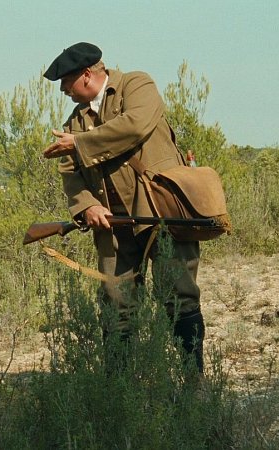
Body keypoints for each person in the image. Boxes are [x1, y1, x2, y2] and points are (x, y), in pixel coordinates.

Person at [41, 42, 206, 375]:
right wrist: (87, 205)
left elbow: (134, 125)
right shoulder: (75, 122)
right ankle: (118, 388)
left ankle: (193, 382)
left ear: (86, 75)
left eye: (66, 82)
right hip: (113, 226)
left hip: (161, 212)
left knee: (179, 296)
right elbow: (70, 172)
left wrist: (80, 143)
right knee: (117, 306)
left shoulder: (136, 84)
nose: (63, 91)